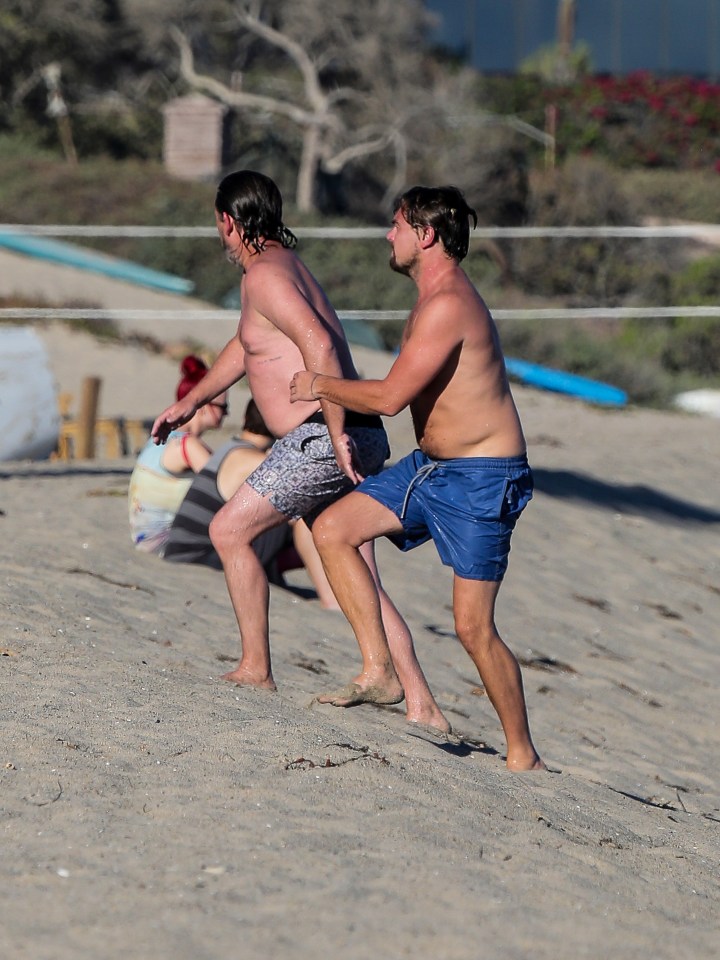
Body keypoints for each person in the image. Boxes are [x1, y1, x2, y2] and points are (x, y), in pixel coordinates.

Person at [151, 170, 449, 734]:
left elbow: (316, 342)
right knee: (358, 572)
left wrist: (333, 428)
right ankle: (422, 704)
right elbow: (249, 345)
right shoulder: (283, 269)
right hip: (341, 431)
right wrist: (192, 401)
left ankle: (256, 667)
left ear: (228, 222)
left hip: (320, 431)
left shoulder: (264, 275)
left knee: (228, 531)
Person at [290, 184, 544, 771]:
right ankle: (380, 672)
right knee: (333, 530)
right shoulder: (431, 298)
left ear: (424, 235)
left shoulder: (448, 304)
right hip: (431, 468)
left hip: (483, 477)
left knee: (473, 628)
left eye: (397, 224)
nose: (389, 234)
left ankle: (523, 756)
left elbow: (390, 398)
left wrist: (320, 385)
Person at [164, 398, 340, 608]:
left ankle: (281, 580)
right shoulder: (252, 461)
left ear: (246, 418)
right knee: (304, 518)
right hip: (200, 559)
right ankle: (331, 601)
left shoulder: (231, 448)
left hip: (184, 551)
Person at [129, 354, 227, 554]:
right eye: (223, 407)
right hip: (164, 546)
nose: (227, 414)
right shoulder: (186, 445)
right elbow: (224, 485)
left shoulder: (164, 438)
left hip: (145, 539)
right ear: (202, 405)